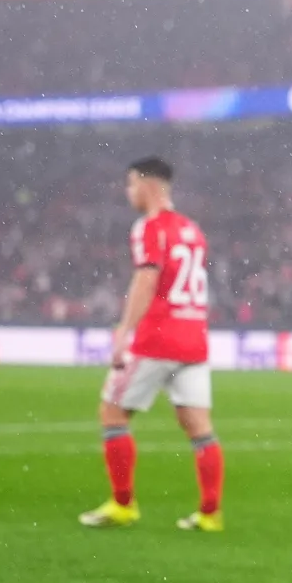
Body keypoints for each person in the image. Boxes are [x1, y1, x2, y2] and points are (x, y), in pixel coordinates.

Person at [79, 157, 225, 531]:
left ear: (147, 184)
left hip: (157, 338)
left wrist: (124, 331)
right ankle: (210, 513)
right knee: (198, 425)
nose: (128, 193)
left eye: (131, 185)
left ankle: (122, 504)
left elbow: (146, 281)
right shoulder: (192, 230)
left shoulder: (150, 228)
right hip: (194, 337)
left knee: (112, 413)